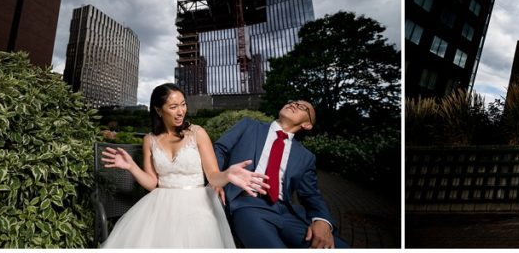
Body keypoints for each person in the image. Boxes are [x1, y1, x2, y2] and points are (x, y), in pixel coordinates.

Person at [100, 84, 269, 248]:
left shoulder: (198, 133)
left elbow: (212, 176)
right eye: (173, 106)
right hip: (160, 204)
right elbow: (152, 183)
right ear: (159, 110)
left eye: (183, 105)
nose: (181, 111)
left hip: (197, 203)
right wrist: (131, 166)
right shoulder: (149, 140)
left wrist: (227, 175)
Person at [212, 99, 347, 248]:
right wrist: (217, 177)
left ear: (307, 125)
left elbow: (311, 195)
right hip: (247, 203)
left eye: (302, 107)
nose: (294, 104)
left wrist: (322, 219)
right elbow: (220, 149)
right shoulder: (249, 125)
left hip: (287, 213)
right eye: (293, 102)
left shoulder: (306, 157)